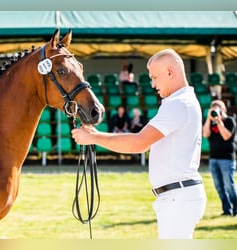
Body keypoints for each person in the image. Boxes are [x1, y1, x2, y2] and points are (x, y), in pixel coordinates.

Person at [72, 49, 206, 239]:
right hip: (177, 194)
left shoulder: (179, 104)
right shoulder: (181, 101)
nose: (152, 84)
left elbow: (139, 143)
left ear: (170, 72)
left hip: (178, 196)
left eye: (154, 77)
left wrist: (94, 137)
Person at [202, 99, 237, 216]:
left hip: (227, 159)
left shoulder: (229, 121)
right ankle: (227, 210)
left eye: (219, 108)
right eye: (214, 108)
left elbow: (226, 136)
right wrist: (208, 118)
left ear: (224, 109)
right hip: (214, 158)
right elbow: (205, 134)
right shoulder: (209, 122)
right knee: (219, 186)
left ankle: (236, 208)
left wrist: (219, 121)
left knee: (229, 185)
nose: (217, 111)